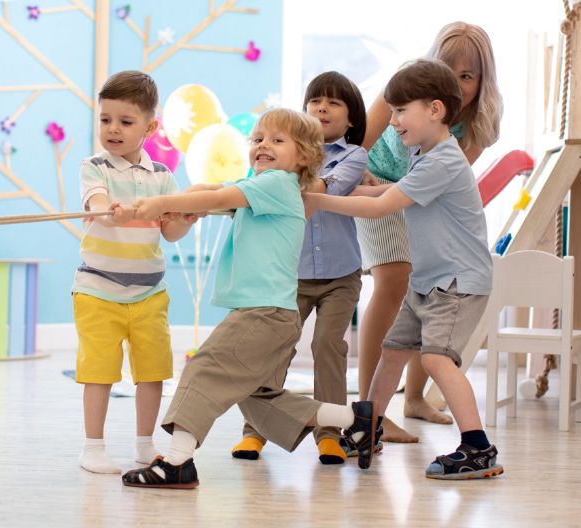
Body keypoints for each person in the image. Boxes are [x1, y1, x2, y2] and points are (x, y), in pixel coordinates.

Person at [121, 108, 375, 489]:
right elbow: (213, 191)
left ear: (303, 156)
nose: (262, 145)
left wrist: (160, 205)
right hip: (273, 314)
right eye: (257, 139)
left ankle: (177, 462)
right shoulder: (262, 187)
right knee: (259, 397)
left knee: (203, 367)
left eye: (276, 140)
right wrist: (181, 203)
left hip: (264, 312)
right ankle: (353, 421)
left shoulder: (278, 184)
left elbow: (221, 195)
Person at [305, 59, 503, 479]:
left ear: (435, 110)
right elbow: (394, 193)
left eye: (400, 111)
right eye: (391, 111)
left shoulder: (443, 159)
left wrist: (318, 198)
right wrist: (362, 186)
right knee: (392, 353)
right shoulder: (424, 153)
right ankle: (367, 427)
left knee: (435, 360)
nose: (392, 121)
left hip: (457, 283)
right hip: (429, 279)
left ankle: (478, 447)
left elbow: (379, 209)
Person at [355, 22, 502, 443]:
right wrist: (353, 174)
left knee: (428, 287)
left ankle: (414, 397)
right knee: (392, 280)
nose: (455, 84)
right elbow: (362, 137)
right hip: (375, 183)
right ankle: (368, 411)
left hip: (415, 196)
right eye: (447, 69)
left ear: (482, 80)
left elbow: (450, 182)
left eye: (467, 76)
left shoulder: (479, 120)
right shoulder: (406, 83)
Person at [231, 72, 368, 465]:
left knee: (328, 344)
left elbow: (328, 188)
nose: (322, 108)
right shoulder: (282, 155)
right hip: (291, 275)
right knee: (274, 348)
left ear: (351, 118)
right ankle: (254, 431)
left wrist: (286, 175)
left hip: (341, 275)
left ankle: (330, 434)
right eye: (315, 102)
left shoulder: (354, 156)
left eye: (334, 103)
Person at [72, 70, 198, 474]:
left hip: (148, 293)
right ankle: (93, 446)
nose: (113, 129)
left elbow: (172, 233)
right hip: (97, 290)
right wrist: (112, 211)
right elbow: (96, 207)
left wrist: (186, 217)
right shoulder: (94, 167)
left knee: (153, 370)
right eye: (105, 119)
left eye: (125, 122)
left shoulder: (162, 177)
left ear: (150, 126)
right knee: (99, 370)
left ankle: (145, 445)